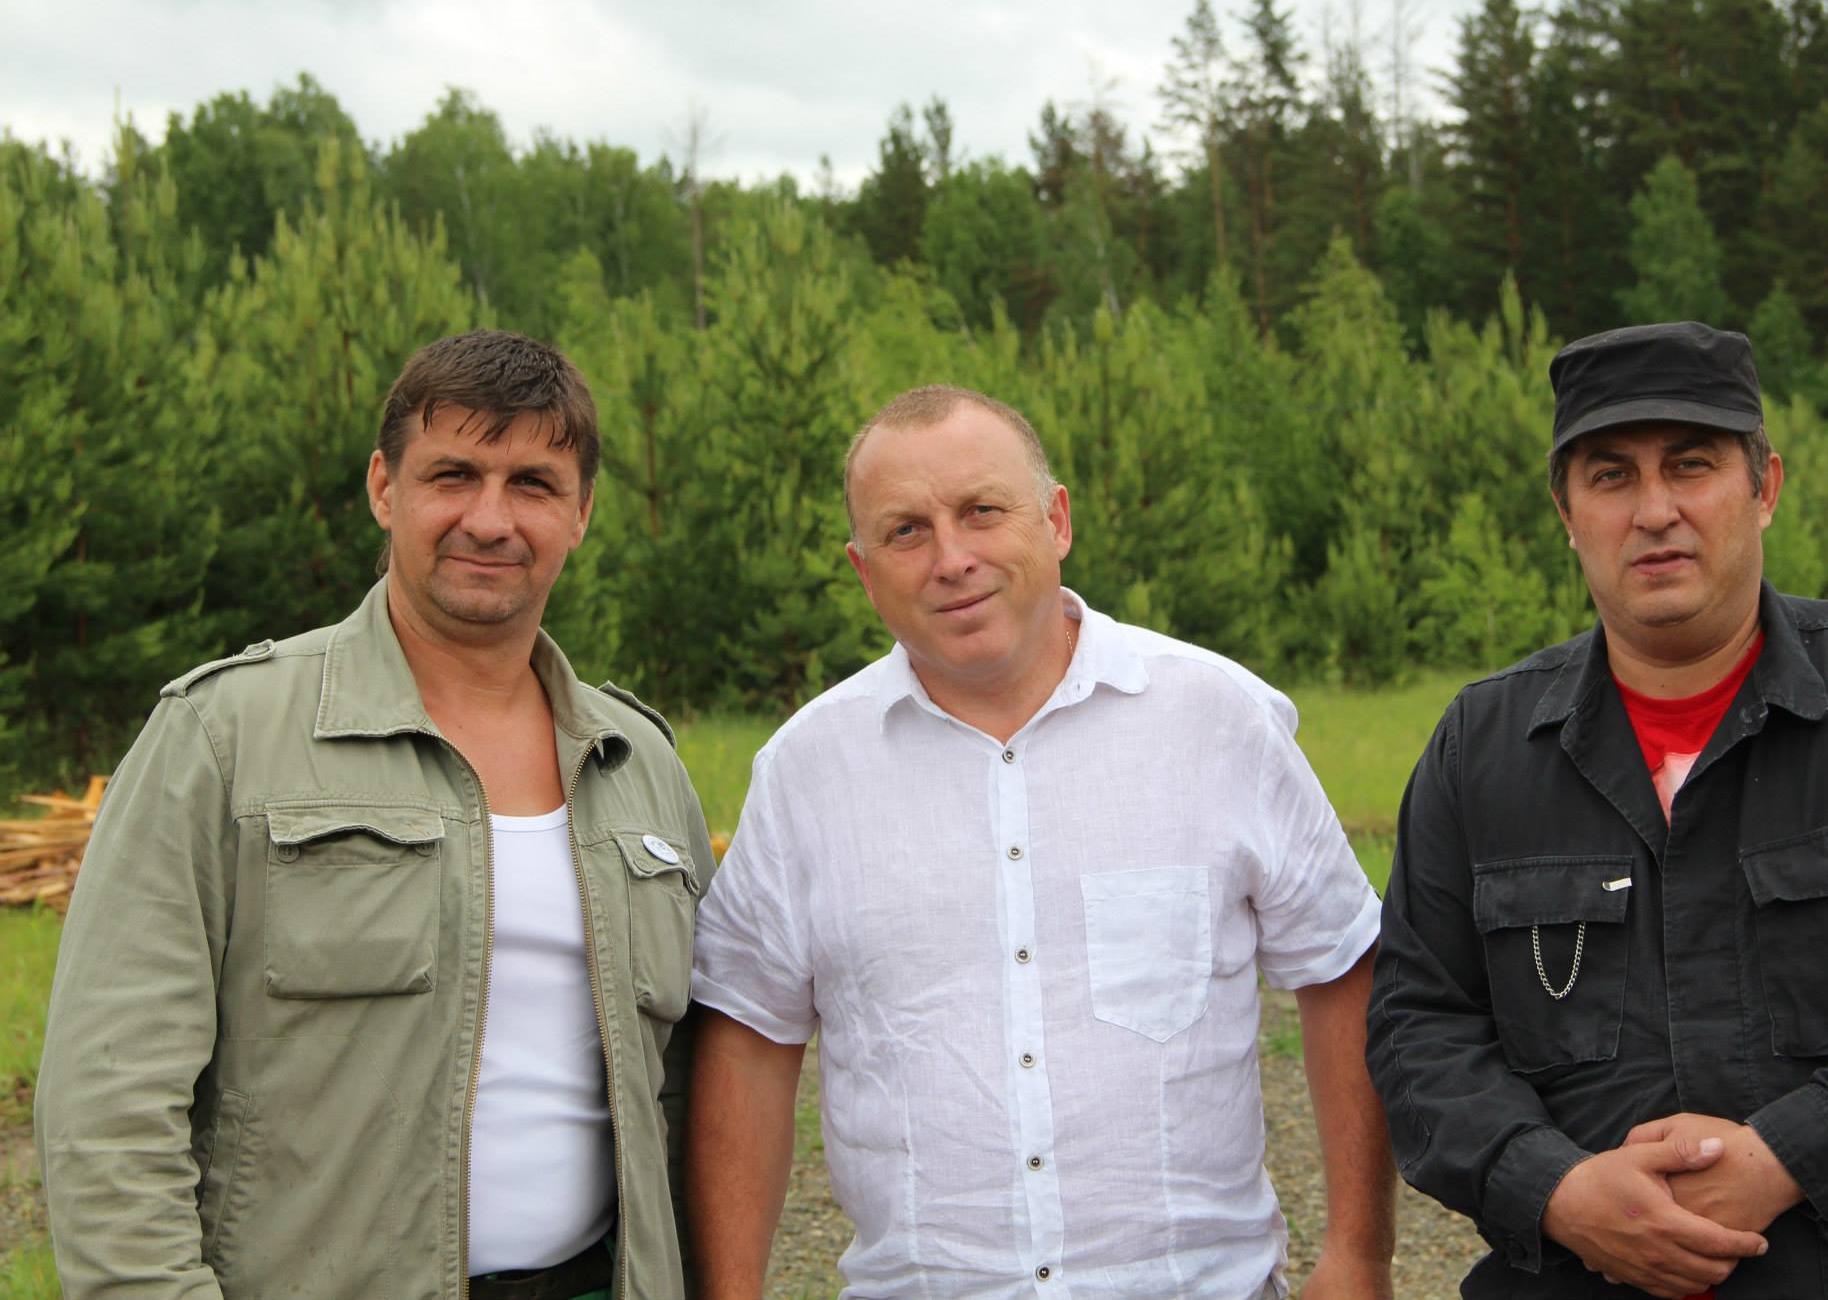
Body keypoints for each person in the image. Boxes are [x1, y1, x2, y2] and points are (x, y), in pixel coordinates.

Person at [1367, 320, 1828, 1298]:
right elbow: (1417, 1023)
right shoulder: (1482, 748)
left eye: (1690, 465)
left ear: (1764, 487)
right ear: (1566, 513)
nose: (1654, 511)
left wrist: (1794, 1151)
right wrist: (1553, 1188)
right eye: (1610, 476)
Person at [36, 330, 715, 1300]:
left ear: (581, 512)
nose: (490, 519)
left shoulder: (641, 766)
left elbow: (685, 1095)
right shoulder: (225, 738)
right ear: (384, 488)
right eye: (453, 475)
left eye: (532, 483)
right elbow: (109, 1099)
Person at [682, 385, 1393, 1298]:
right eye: (906, 531)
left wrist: (1359, 1253)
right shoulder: (805, 772)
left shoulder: (1218, 719)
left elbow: (1341, 968)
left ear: (1056, 520)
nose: (952, 559)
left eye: (983, 511)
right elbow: (747, 1038)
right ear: (864, 570)